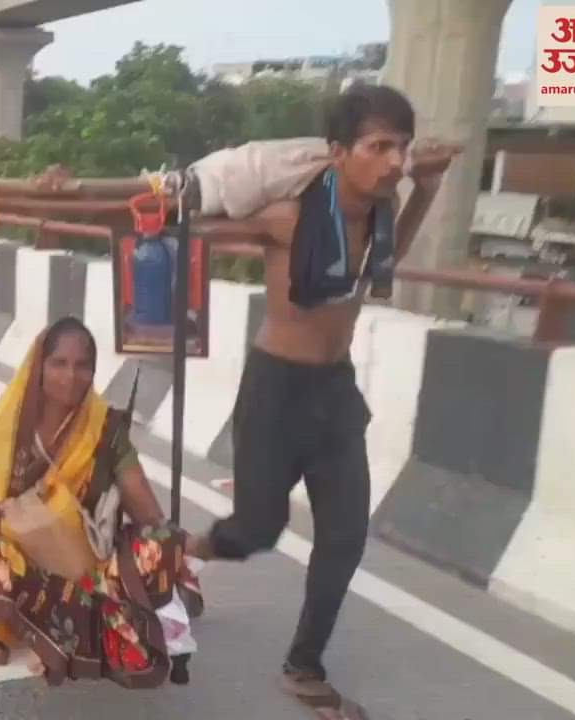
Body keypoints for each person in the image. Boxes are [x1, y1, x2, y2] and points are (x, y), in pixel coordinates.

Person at [184, 85, 461, 719]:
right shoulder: (289, 216)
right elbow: (187, 221)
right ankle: (179, 557)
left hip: (334, 392)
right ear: (339, 152)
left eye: (401, 148)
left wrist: (430, 187)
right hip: (275, 388)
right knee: (256, 529)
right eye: (378, 146)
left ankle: (304, 663)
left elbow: (391, 256)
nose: (394, 161)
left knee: (343, 537)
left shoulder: (383, 213)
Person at [0, 317, 203, 689]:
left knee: (163, 542)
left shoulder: (105, 429)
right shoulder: (8, 431)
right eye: (59, 363)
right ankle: (2, 624)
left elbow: (147, 511)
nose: (71, 376)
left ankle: (72, 623)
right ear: (40, 367)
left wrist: (168, 547)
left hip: (89, 564)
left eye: (83, 365)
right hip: (23, 564)